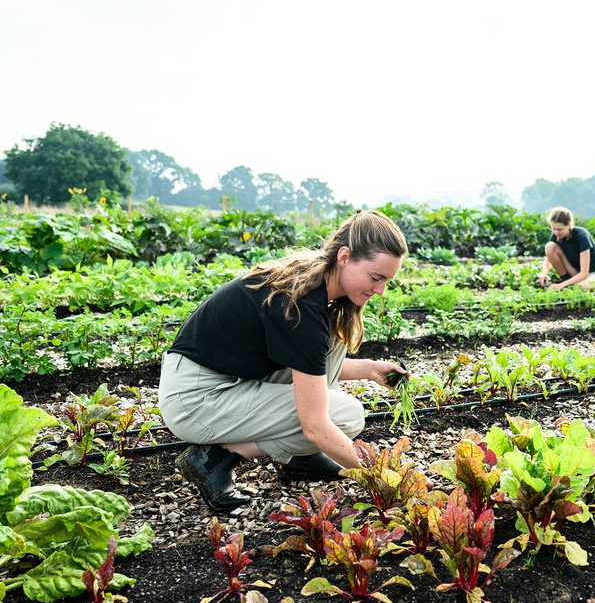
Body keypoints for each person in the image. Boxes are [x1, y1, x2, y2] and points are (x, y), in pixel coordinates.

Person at [158, 210, 408, 512]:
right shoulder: (302, 305)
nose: (380, 290)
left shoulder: (313, 284)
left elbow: (308, 365)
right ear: (345, 256)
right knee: (347, 415)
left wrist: (368, 370)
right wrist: (384, 479)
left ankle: (300, 458)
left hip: (216, 381)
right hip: (196, 400)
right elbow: (315, 424)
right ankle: (217, 457)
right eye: (375, 277)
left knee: (331, 349)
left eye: (387, 281)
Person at [537, 207, 595, 291]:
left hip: (593, 273)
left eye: (559, 229)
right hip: (574, 272)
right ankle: (566, 281)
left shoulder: (581, 236)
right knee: (549, 246)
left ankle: (567, 285)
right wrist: (544, 273)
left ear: (569, 225)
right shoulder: (556, 236)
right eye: (553, 229)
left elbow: (584, 273)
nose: (556, 232)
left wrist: (561, 285)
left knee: (577, 288)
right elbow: (548, 259)